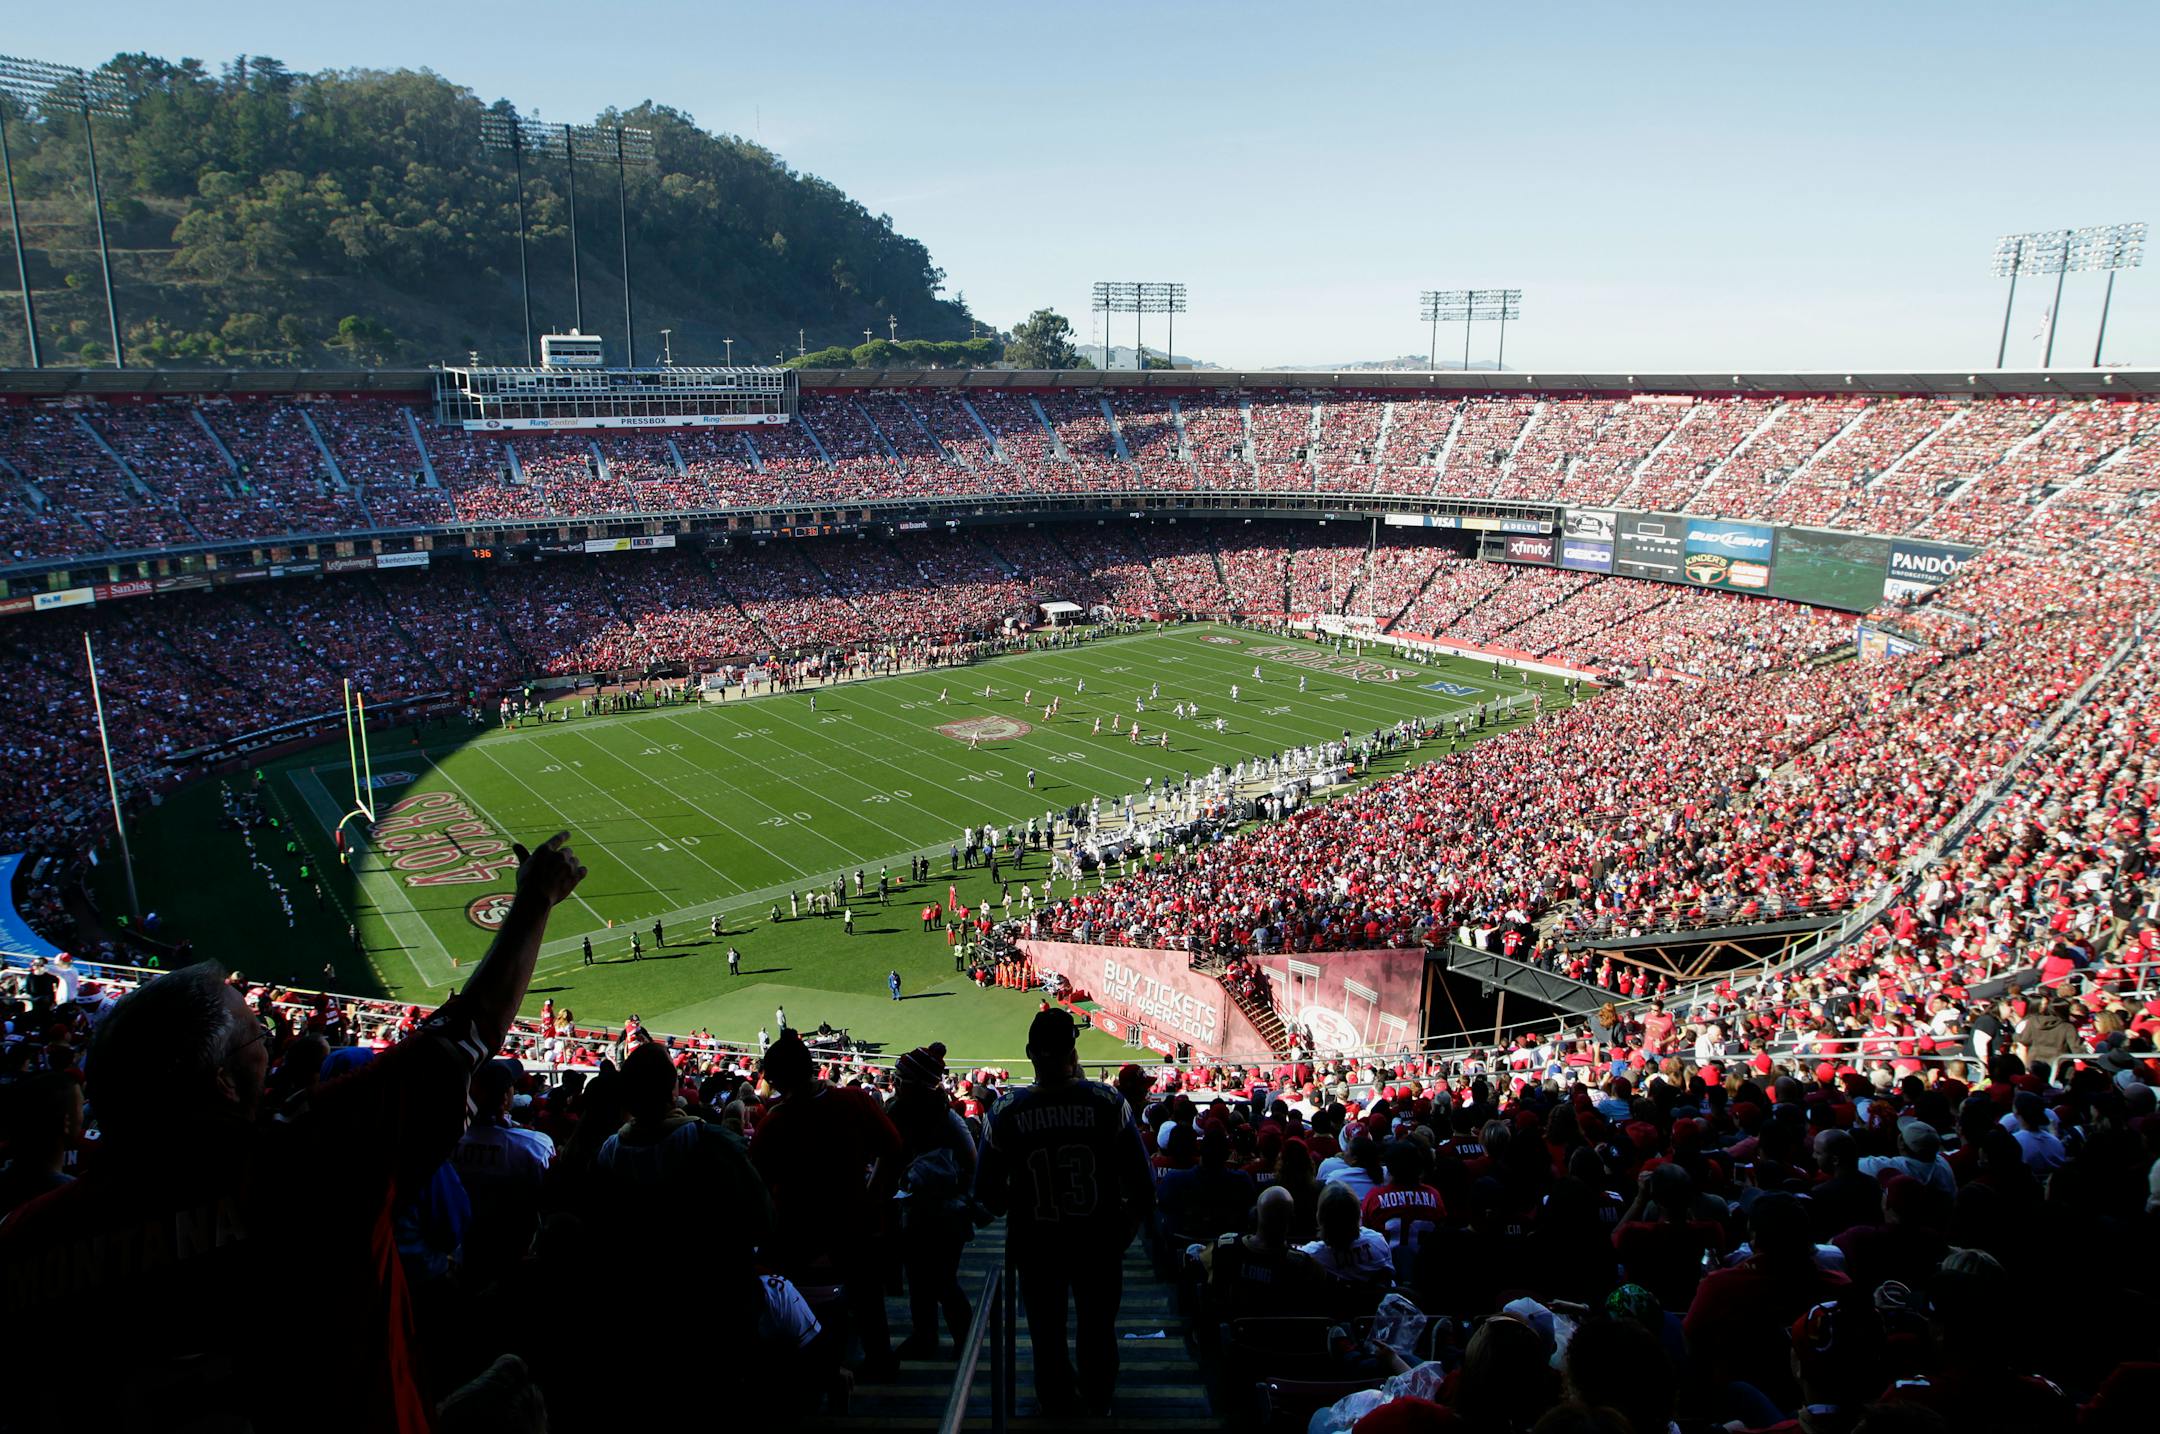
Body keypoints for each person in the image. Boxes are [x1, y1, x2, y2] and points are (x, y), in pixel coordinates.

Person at [0, 831, 586, 1433]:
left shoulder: (25, 1240)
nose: (267, 1045)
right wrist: (535, 899)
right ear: (224, 1082)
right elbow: (467, 1032)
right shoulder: (310, 1160)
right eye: (256, 1035)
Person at [975, 1008, 1153, 1416]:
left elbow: (985, 1193)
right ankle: (1098, 1400)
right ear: (1074, 1050)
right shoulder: (1109, 1102)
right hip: (1098, 1242)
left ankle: (1055, 1402)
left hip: (1037, 1245)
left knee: (1046, 1333)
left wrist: (1018, 1201)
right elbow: (1143, 1183)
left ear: (1030, 1053)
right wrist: (1128, 1225)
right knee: (1098, 1329)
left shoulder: (1005, 1111)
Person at [750, 1033, 905, 1379]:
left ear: (776, 1080)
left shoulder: (774, 1122)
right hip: (853, 1218)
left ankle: (809, 1369)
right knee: (867, 1295)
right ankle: (880, 1360)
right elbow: (894, 1148)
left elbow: (755, 1181)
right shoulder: (854, 1101)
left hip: (797, 1227)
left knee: (789, 1295)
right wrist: (875, 1195)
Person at [888, 1045, 977, 1359]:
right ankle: (926, 1336)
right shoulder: (923, 1114)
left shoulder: (946, 1120)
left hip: (943, 1214)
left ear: (917, 1083)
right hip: (916, 1211)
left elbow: (971, 1163)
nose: (894, 1084)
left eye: (900, 1079)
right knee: (918, 1276)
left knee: (940, 1279)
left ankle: (964, 1340)